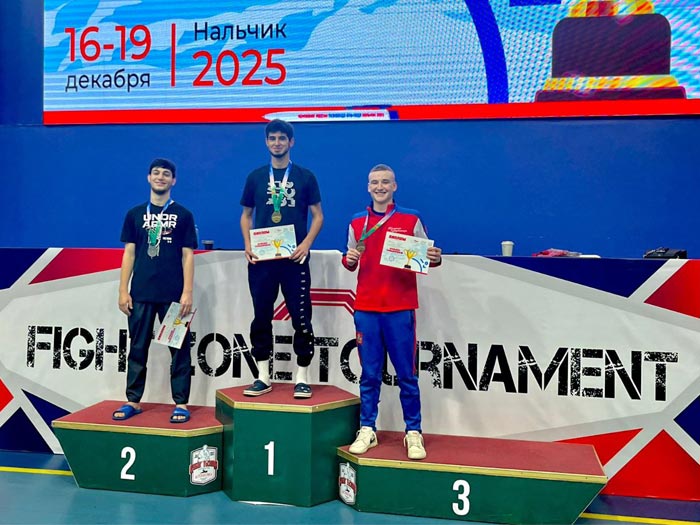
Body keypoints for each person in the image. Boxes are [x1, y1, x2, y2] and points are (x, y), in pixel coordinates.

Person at [342, 164, 442, 460]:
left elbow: (429, 257)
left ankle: (413, 431)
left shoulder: (411, 218)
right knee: (369, 375)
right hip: (366, 309)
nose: (380, 187)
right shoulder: (356, 222)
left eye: (385, 182)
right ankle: (367, 428)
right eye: (375, 182)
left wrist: (435, 257)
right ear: (368, 187)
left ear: (394, 186)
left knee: (407, 375)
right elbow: (350, 260)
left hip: (400, 309)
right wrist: (349, 259)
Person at [240, 119, 323, 398]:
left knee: (302, 318)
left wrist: (306, 244)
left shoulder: (305, 177)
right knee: (261, 317)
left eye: (282, 138)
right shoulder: (255, 177)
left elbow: (318, 216)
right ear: (266, 142)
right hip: (262, 261)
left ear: (291, 142)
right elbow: (246, 216)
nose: (277, 143)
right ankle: (263, 376)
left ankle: (302, 377)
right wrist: (248, 244)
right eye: (272, 138)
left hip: (294, 260)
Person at [113, 158, 197, 424]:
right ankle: (133, 400)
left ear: (174, 180)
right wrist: (123, 290)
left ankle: (181, 403)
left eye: (166, 174)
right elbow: (129, 253)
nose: (161, 177)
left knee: (179, 350)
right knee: (137, 348)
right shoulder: (134, 214)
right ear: (149, 178)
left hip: (173, 296)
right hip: (140, 294)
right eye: (156, 173)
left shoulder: (184, 215)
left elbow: (188, 256)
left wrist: (187, 292)